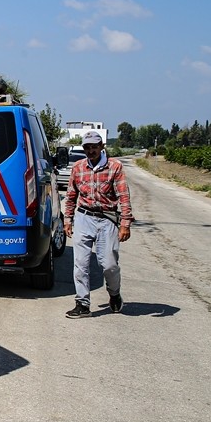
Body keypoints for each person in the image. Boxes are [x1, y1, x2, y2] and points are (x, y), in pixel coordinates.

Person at [63, 130, 133, 318]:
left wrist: (125, 222)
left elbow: (123, 196)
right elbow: (70, 196)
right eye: (87, 147)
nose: (91, 150)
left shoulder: (114, 167)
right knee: (80, 263)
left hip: (107, 219)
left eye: (94, 147)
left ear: (102, 146)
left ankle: (114, 293)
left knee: (109, 264)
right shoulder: (78, 167)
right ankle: (82, 304)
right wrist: (68, 220)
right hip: (84, 217)